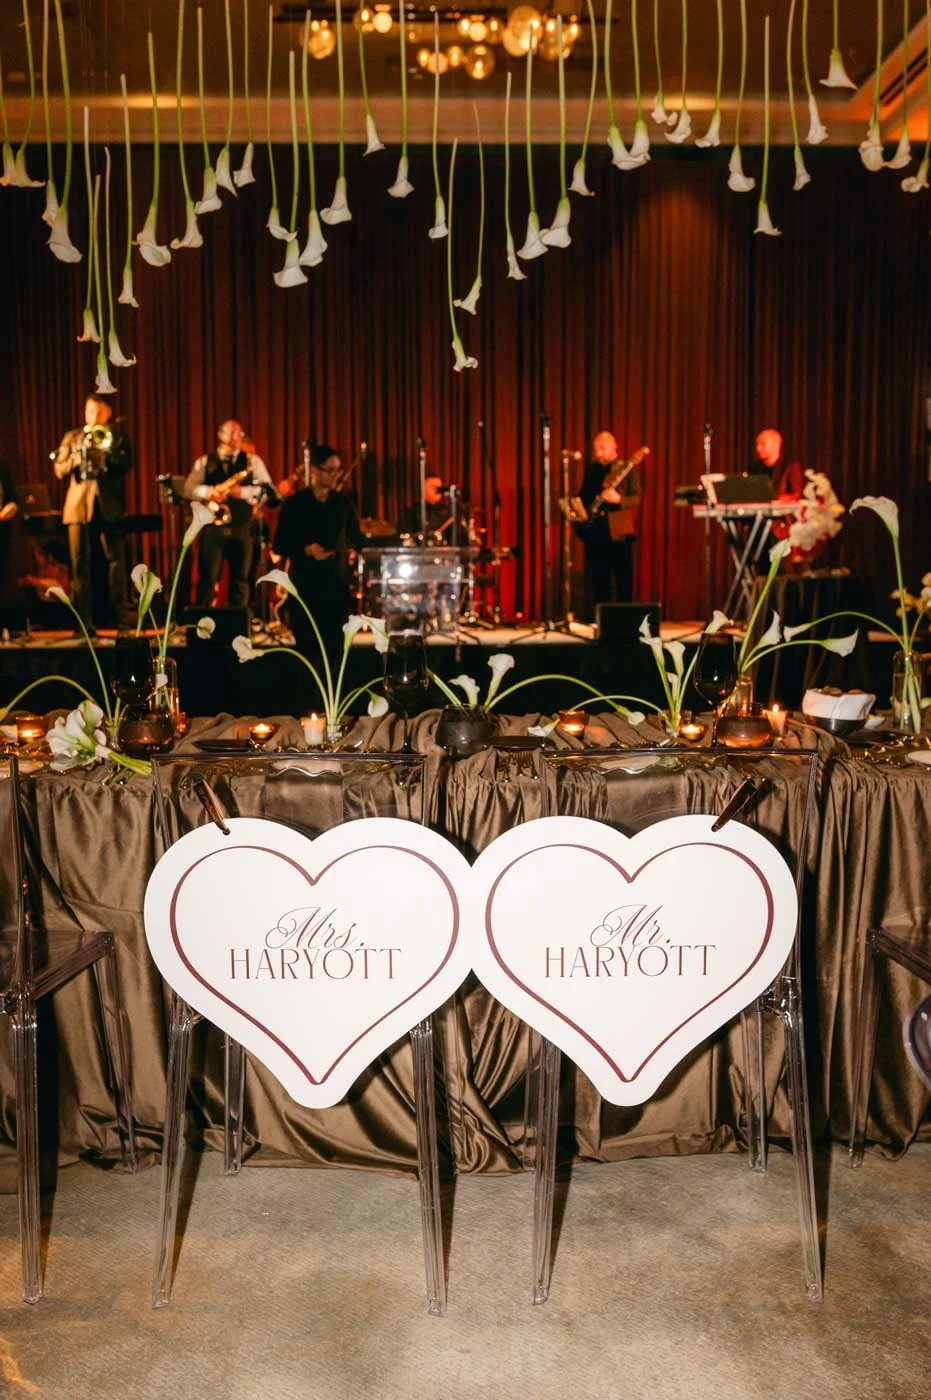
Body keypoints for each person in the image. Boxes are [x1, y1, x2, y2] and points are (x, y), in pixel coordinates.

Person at [273, 444, 364, 683]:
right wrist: (305, 549)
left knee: (336, 656)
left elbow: (357, 539)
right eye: (330, 470)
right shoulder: (295, 504)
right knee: (308, 657)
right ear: (314, 471)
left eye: (338, 470)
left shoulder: (344, 504)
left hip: (335, 587)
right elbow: (279, 544)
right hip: (305, 588)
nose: (336, 476)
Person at [53, 393, 133, 635]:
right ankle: (83, 625)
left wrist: (105, 454)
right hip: (78, 508)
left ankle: (122, 622)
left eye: (99, 412)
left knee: (116, 565)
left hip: (109, 507)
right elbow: (59, 468)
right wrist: (78, 457)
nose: (94, 417)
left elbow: (126, 465)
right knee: (80, 566)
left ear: (108, 414)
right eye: (90, 411)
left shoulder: (117, 437)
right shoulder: (73, 437)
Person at [185, 420, 277, 609]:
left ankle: (238, 622)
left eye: (240, 433)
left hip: (242, 527)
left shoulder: (253, 461)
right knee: (207, 579)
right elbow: (188, 488)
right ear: (221, 435)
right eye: (233, 432)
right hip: (213, 528)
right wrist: (208, 491)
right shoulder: (204, 461)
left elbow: (268, 490)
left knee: (241, 580)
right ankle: (203, 622)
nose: (238, 436)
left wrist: (242, 492)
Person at [577, 430, 642, 613]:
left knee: (623, 580)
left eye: (602, 448)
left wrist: (618, 499)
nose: (598, 453)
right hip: (596, 531)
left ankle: (625, 620)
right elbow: (584, 496)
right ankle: (600, 619)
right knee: (599, 580)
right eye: (596, 449)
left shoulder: (627, 468)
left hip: (620, 531)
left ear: (614, 447)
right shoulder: (592, 470)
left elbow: (636, 498)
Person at [401, 474, 464, 543]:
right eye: (432, 487)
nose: (437, 491)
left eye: (439, 488)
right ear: (423, 488)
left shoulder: (448, 512)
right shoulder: (412, 512)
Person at [751, 428, 805, 500]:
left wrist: (777, 499)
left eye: (763, 444)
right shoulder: (755, 467)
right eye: (757, 444)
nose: (758, 448)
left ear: (777, 445)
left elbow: (797, 494)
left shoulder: (790, 466)